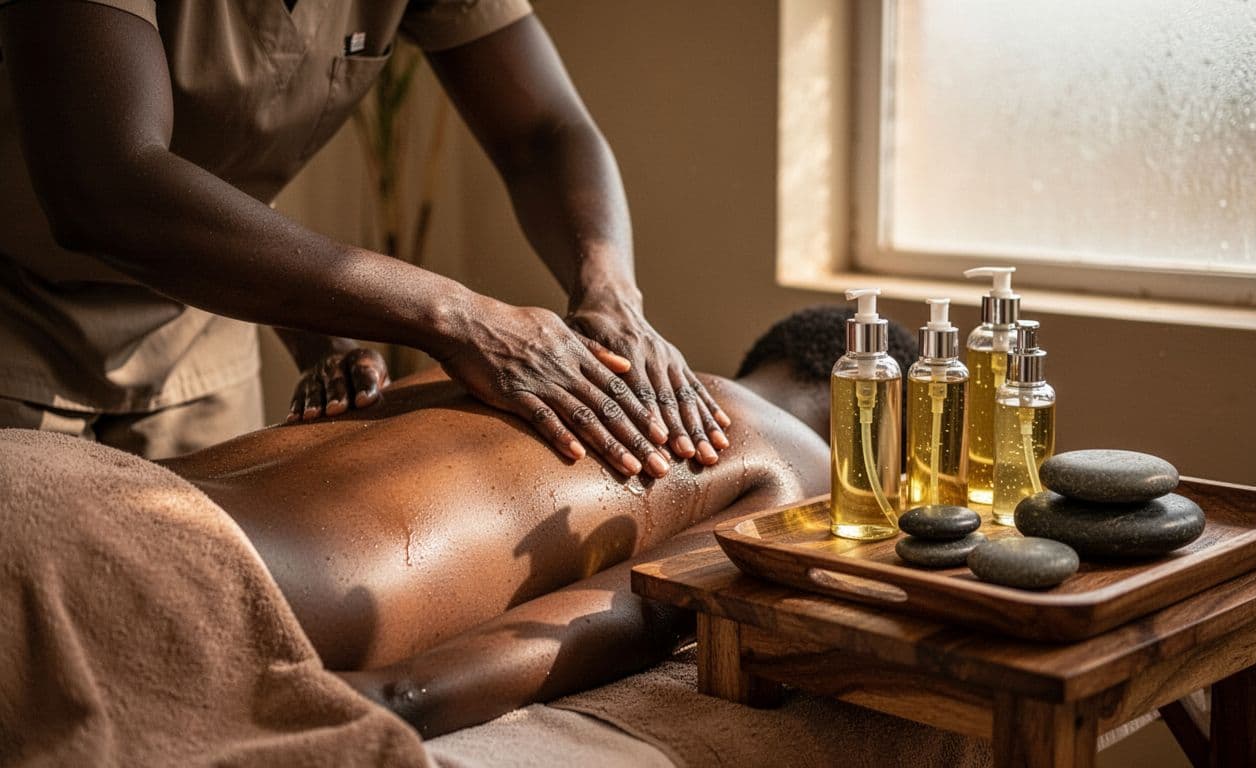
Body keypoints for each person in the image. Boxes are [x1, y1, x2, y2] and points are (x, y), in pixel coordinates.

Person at [0, 0, 726, 472]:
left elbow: (542, 133)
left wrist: (611, 288)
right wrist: (458, 319)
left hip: (194, 339)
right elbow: (104, 184)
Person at [157, 306, 914, 737]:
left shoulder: (543, 350)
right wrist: (388, 701)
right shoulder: (809, 471)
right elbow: (638, 613)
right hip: (203, 581)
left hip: (108, 483)